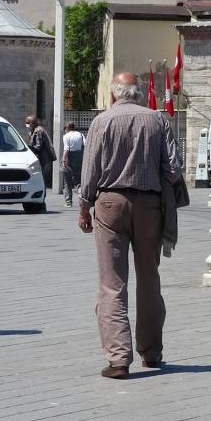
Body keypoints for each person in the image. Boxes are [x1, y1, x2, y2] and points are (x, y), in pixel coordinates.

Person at [79, 72, 181, 379]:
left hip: (110, 204)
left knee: (112, 283)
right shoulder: (157, 120)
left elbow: (91, 170)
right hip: (150, 205)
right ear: (138, 94)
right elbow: (174, 168)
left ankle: (118, 359)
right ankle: (151, 352)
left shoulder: (102, 121)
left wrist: (84, 207)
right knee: (149, 280)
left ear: (113, 95)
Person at [25, 114, 55, 191]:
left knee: (41, 179)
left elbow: (38, 146)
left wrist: (27, 148)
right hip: (41, 158)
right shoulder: (33, 131)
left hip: (43, 159)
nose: (26, 124)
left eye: (27, 122)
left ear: (32, 123)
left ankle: (41, 197)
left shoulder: (38, 131)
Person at [61, 122, 84, 207]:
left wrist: (63, 160)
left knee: (67, 181)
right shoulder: (80, 134)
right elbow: (84, 145)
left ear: (67, 128)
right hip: (79, 158)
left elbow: (66, 149)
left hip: (69, 158)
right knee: (79, 181)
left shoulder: (66, 136)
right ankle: (82, 199)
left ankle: (68, 202)